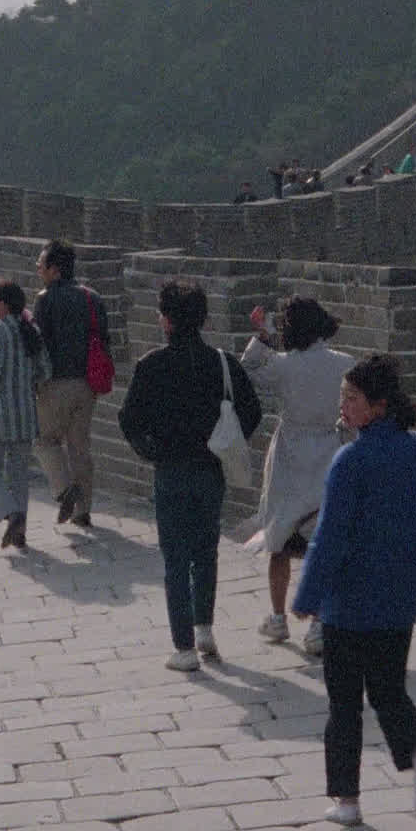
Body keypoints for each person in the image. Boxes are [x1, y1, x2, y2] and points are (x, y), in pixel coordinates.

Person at [292, 355, 416, 829]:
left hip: (347, 602)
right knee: (389, 690)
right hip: (399, 597)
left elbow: (330, 537)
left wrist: (307, 597)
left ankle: (347, 800)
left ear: (378, 406)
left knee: (343, 704)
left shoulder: (351, 460)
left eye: (352, 398)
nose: (343, 405)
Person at [117, 278, 262, 671]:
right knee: (206, 552)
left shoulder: (152, 366)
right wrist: (224, 440)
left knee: (175, 559)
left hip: (170, 471)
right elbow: (252, 411)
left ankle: (183, 649)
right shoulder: (221, 363)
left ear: (165, 320)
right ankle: (204, 630)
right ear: (203, 319)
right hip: (210, 469)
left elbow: (129, 420)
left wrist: (152, 451)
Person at [241, 298, 354, 654]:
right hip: (330, 449)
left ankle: (278, 618)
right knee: (323, 539)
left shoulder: (284, 366)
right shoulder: (345, 364)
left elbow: (249, 369)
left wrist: (263, 336)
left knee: (280, 535)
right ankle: (320, 624)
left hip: (290, 451)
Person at [33, 239, 110, 529]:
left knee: (44, 440)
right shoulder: (93, 297)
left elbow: (39, 345)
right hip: (87, 384)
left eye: (41, 266)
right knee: (80, 446)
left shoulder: (45, 299)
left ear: (54, 270)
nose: (38, 270)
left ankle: (66, 491)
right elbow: (104, 338)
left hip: (56, 383)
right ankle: (83, 511)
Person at [0, 279, 50, 549]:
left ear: (3, 304)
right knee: (19, 472)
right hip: (25, 414)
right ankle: (19, 532)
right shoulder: (30, 330)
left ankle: (12, 513)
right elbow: (45, 370)